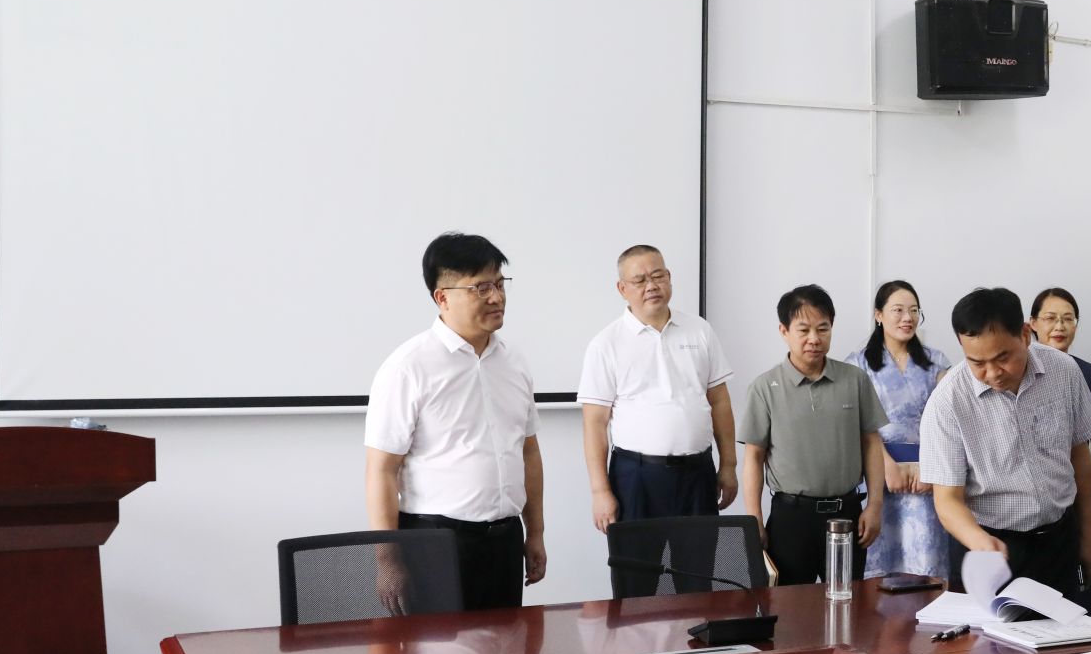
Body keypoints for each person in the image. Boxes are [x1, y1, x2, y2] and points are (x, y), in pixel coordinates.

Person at [364, 232, 545, 611]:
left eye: (500, 284)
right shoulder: (408, 367)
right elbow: (382, 470)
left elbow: (528, 452)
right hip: (435, 541)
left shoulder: (514, 362)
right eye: (481, 288)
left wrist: (535, 533)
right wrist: (387, 561)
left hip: (505, 538)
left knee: (507, 645)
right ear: (442, 297)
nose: (496, 297)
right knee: (441, 650)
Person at [920, 287, 1091, 605]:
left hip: (1059, 541)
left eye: (1002, 358)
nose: (992, 373)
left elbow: (1080, 457)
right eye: (977, 362)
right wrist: (980, 542)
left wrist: (1088, 536)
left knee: (1068, 633)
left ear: (1025, 334)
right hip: (990, 550)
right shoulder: (948, 401)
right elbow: (947, 501)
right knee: (990, 637)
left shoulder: (1064, 371)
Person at [579, 245, 737, 530]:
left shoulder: (700, 330)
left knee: (699, 557)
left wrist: (728, 465)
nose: (651, 286)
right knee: (639, 558)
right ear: (622, 288)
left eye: (658, 276)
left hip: (698, 473)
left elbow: (720, 402)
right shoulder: (605, 344)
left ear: (669, 277)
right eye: (639, 280)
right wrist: (599, 491)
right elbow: (594, 423)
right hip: (636, 477)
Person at [738, 284, 886, 585]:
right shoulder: (765, 388)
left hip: (846, 514)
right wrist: (754, 520)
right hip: (791, 518)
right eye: (803, 330)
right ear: (784, 331)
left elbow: (871, 444)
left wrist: (874, 505)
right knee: (789, 606)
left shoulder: (854, 380)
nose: (814, 339)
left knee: (847, 601)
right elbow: (753, 457)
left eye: (823, 329)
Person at [844, 280, 954, 579]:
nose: (908, 318)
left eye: (914, 311)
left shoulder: (936, 361)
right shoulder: (857, 365)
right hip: (877, 473)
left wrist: (930, 467)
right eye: (898, 310)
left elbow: (950, 421)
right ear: (878, 315)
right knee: (877, 571)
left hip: (926, 476)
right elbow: (855, 423)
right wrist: (885, 466)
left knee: (926, 569)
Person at [1029, 288, 1091, 552]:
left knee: (1081, 571)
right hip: (1030, 502)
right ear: (1032, 323)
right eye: (1050, 318)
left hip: (1082, 495)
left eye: (1068, 319)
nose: (1060, 326)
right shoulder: (1017, 373)